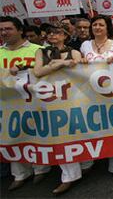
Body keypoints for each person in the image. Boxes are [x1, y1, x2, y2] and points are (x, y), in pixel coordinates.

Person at [0, 16, 51, 191]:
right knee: (12, 135)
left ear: (20, 30)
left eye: (8, 29)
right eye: (1, 30)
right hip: (8, 104)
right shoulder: (0, 51)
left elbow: (47, 72)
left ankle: (40, 169)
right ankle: (20, 174)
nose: (4, 33)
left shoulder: (38, 49)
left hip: (33, 100)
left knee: (36, 134)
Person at [33, 24, 83, 194]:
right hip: (49, 99)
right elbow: (38, 71)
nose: (52, 35)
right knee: (60, 135)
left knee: (76, 132)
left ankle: (84, 164)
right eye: (49, 33)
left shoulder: (74, 52)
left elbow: (79, 69)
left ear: (65, 35)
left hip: (71, 97)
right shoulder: (41, 52)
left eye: (56, 32)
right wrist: (58, 64)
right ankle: (69, 176)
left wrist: (60, 62)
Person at [80, 15, 113, 181]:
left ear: (108, 27)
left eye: (101, 24)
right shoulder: (85, 45)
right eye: (95, 25)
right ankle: (88, 163)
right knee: (90, 128)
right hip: (89, 95)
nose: (97, 27)